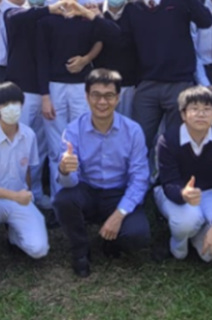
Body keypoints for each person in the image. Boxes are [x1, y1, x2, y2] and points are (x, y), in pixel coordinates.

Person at [54, 70, 151, 278]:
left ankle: (111, 242)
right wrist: (64, 170)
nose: (102, 102)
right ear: (87, 96)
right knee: (64, 200)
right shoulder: (73, 130)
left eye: (108, 96)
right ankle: (80, 250)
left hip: (118, 193)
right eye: (96, 95)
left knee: (138, 235)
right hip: (87, 190)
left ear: (118, 98)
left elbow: (140, 178)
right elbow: (70, 183)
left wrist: (119, 215)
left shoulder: (133, 131)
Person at [123, 0, 212, 160]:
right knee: (139, 139)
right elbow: (124, 45)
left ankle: (169, 184)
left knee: (175, 139)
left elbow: (205, 20)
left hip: (179, 83)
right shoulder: (132, 8)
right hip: (147, 85)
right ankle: (139, 182)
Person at [0, 83, 49, 294]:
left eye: (15, 102)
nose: (11, 108)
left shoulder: (29, 135)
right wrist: (15, 196)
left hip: (19, 199)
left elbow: (29, 171)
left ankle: (14, 235)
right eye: (5, 104)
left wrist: (26, 197)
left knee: (39, 249)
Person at [39, 0, 116, 186]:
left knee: (83, 136)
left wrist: (86, 59)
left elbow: (104, 39)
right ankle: (59, 195)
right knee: (56, 142)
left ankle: (82, 193)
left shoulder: (87, 16)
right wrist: (45, 95)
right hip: (55, 85)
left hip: (82, 85)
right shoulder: (48, 18)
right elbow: (41, 57)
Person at [153, 86, 212, 263]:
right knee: (187, 221)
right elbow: (168, 182)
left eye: (207, 109)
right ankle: (178, 246)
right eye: (194, 109)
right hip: (176, 192)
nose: (201, 114)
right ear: (183, 114)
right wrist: (182, 193)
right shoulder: (168, 140)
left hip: (211, 191)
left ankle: (201, 243)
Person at [4, 0, 63, 207]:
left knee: (40, 143)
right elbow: (18, 19)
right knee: (20, 143)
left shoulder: (55, 16)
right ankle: (18, 192)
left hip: (47, 90)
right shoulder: (15, 12)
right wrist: (47, 9)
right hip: (23, 89)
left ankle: (37, 192)